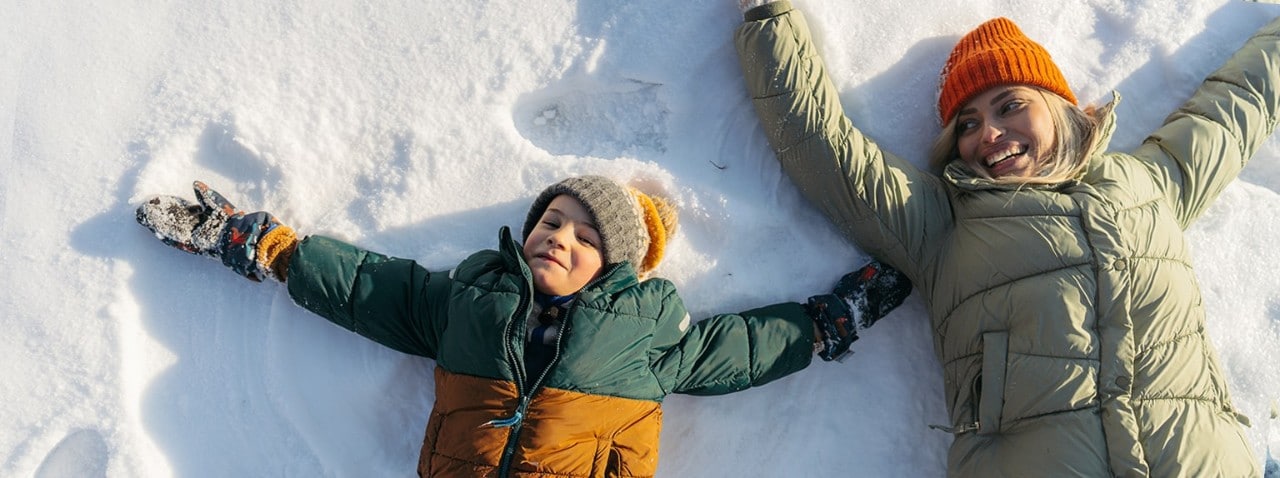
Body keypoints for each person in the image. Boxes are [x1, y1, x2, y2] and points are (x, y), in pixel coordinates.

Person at [733, 0, 1279, 476]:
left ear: (1060, 107)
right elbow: (823, 146)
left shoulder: (1148, 184)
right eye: (966, 124)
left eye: (1010, 105)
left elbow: (1237, 107)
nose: (988, 133)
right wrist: (765, 15)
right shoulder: (945, 224)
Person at [134, 175, 907, 477]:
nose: (557, 236)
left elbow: (743, 349)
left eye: (583, 235)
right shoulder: (471, 301)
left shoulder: (648, 338)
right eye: (550, 219)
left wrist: (832, 319)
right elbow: (370, 288)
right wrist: (266, 246)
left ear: (617, 267)